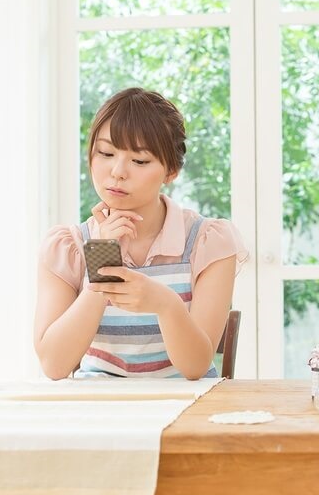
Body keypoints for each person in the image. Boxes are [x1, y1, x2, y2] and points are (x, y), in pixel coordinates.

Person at [34, 87, 247, 380]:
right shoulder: (68, 246)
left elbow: (195, 366)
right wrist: (101, 259)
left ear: (171, 171)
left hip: (185, 411)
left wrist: (166, 304)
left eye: (140, 161)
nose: (118, 171)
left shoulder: (207, 241)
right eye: (106, 153)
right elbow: (54, 366)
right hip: (98, 414)